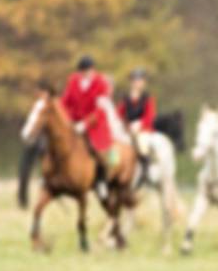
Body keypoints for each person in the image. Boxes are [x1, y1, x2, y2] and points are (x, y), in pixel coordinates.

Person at [61, 55, 116, 201]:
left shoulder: (101, 84)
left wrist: (84, 124)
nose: (84, 75)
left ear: (92, 70)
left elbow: (99, 110)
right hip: (74, 122)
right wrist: (65, 119)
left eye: (87, 71)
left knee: (97, 150)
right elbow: (65, 102)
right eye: (82, 72)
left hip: (95, 125)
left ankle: (101, 181)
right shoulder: (73, 80)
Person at [118, 69, 157, 138]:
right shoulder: (125, 100)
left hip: (144, 131)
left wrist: (139, 124)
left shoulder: (148, 99)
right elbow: (118, 115)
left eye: (139, 81)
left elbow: (149, 117)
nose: (136, 83)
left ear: (143, 83)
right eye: (134, 80)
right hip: (128, 131)